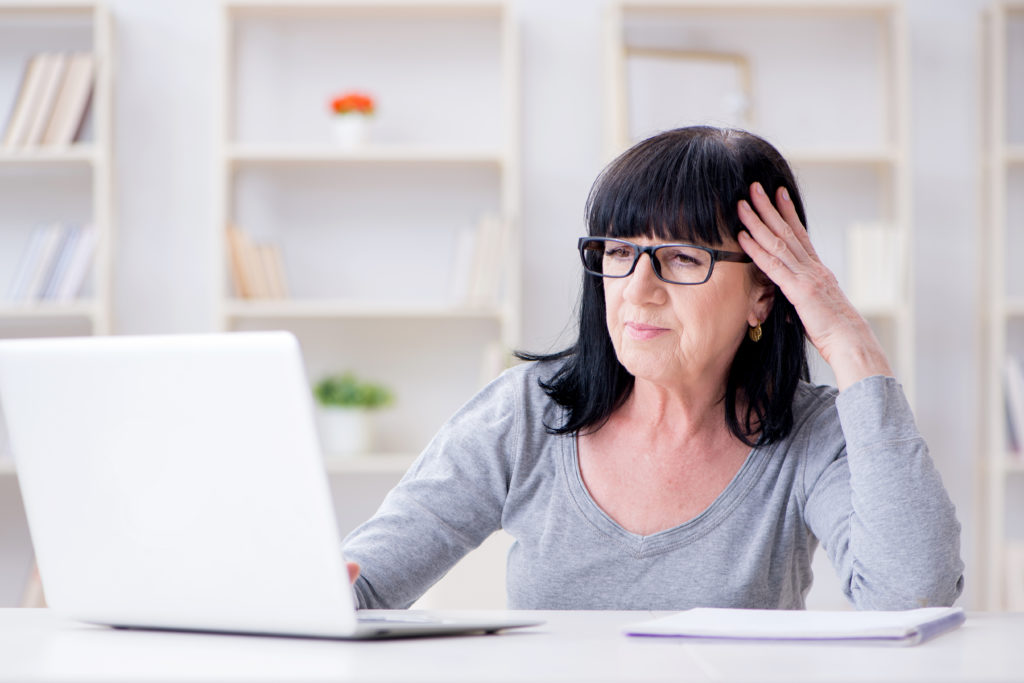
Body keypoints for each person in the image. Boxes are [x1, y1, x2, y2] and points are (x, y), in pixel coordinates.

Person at [341, 126, 964, 610]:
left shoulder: (814, 435)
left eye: (683, 257)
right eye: (619, 251)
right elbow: (360, 590)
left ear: (765, 292)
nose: (637, 289)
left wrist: (849, 340)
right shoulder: (526, 412)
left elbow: (909, 597)